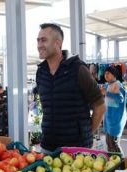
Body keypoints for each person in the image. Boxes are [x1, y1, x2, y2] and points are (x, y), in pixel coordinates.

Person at [35, 23, 105, 153]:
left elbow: (100, 106)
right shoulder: (41, 72)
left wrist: (87, 133)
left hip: (77, 149)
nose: (39, 45)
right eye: (38, 40)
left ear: (57, 43)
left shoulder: (78, 69)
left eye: (44, 40)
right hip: (48, 147)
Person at [101, 66, 127, 155]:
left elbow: (120, 99)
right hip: (109, 120)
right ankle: (114, 165)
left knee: (114, 144)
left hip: (116, 120)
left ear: (114, 74)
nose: (106, 75)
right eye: (105, 73)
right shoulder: (108, 85)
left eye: (108, 73)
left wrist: (106, 93)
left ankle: (122, 165)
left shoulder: (118, 84)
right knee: (109, 143)